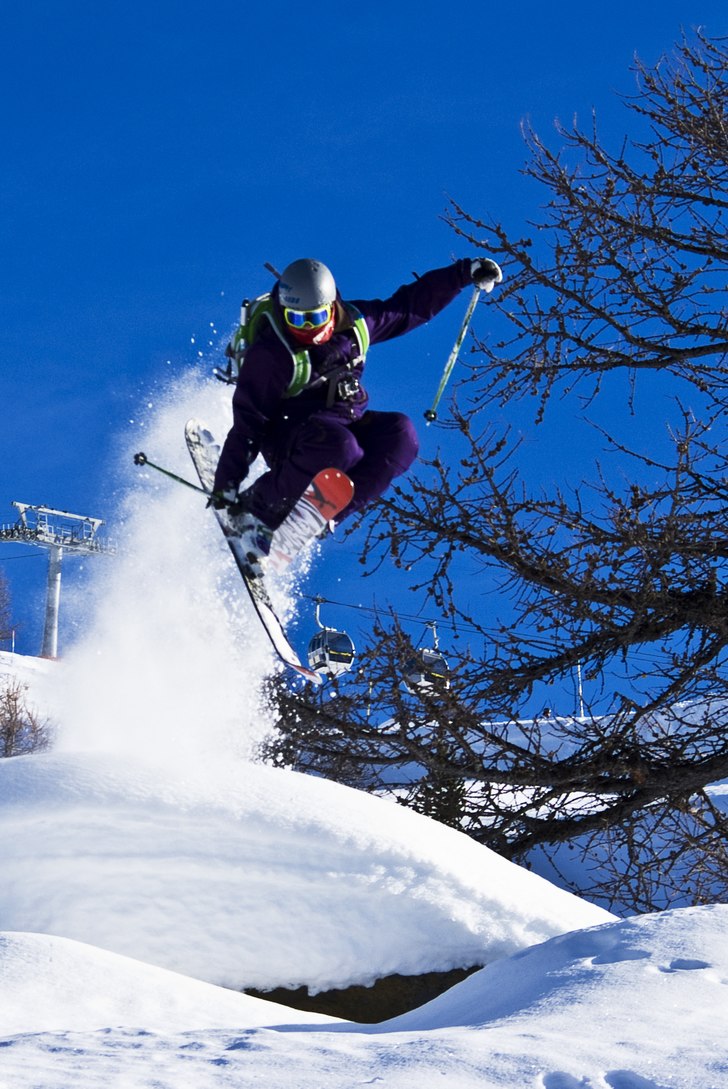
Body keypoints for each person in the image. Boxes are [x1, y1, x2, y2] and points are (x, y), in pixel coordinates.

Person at [212, 254, 503, 563]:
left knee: (401, 436)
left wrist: (463, 273)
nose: (307, 328)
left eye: (315, 318)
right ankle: (256, 508)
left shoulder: (356, 325)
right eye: (296, 319)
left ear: (331, 307)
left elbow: (409, 306)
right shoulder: (273, 354)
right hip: (289, 434)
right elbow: (248, 423)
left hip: (341, 423)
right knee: (342, 448)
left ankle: (318, 518)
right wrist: (226, 483)